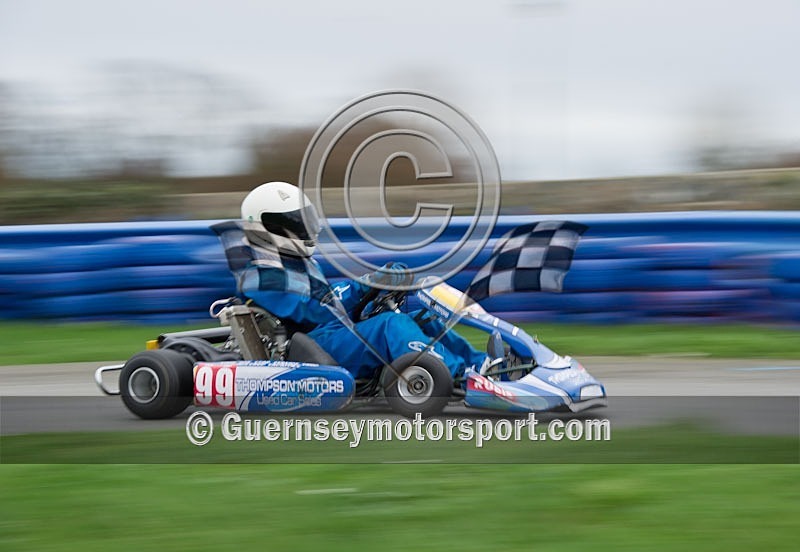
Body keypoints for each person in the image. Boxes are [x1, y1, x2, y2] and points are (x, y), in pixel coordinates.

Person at [232, 181, 490, 379]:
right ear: (267, 227)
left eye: (302, 220)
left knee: (424, 319)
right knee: (391, 325)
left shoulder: (300, 264)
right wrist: (366, 284)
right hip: (312, 348)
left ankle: (482, 364)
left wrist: (374, 294)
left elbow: (335, 309)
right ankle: (457, 374)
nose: (303, 228)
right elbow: (317, 310)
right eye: (292, 223)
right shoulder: (259, 276)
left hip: (333, 336)